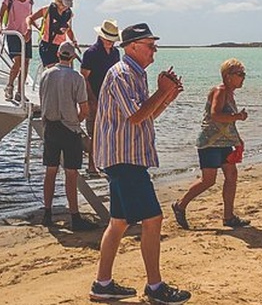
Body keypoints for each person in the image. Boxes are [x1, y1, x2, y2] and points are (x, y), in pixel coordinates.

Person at [89, 23, 191, 305]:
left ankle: (103, 284)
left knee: (119, 223)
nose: (154, 50)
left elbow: (146, 116)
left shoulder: (134, 75)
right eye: (150, 45)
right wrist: (162, 90)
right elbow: (136, 115)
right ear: (132, 47)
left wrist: (167, 96)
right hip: (124, 159)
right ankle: (155, 287)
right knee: (153, 219)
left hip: (125, 158)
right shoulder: (122, 74)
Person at [171, 58, 250, 230]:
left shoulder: (229, 93)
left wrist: (238, 138)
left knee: (231, 175)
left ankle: (228, 216)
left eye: (243, 74)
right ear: (228, 76)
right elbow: (215, 115)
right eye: (240, 74)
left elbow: (226, 122)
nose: (243, 77)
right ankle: (180, 205)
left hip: (223, 143)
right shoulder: (220, 91)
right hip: (210, 143)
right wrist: (238, 116)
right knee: (208, 180)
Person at [38, 41, 99, 232]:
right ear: (72, 57)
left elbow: (42, 100)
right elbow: (84, 108)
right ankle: (74, 216)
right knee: (71, 174)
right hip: (69, 128)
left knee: (50, 170)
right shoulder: (76, 77)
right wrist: (77, 120)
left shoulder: (45, 75)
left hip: (50, 126)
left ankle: (47, 213)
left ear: (58, 54)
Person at [80, 19, 121, 175]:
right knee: (94, 133)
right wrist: (91, 100)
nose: (111, 42)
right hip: (94, 98)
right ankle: (91, 165)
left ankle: (107, 163)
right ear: (102, 36)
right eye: (109, 39)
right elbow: (84, 77)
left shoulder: (116, 53)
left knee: (110, 132)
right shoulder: (90, 53)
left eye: (113, 39)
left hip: (112, 99)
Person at [0, 0, 34, 101]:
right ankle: (10, 86)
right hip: (13, 33)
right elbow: (0, 15)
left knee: (26, 63)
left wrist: (34, 27)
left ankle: (20, 91)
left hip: (26, 34)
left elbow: (31, 17)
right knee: (17, 62)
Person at [27, 0, 76, 68]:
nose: (65, 7)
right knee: (54, 71)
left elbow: (69, 30)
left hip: (61, 48)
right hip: (47, 46)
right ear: (58, 1)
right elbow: (30, 18)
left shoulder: (69, 14)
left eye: (67, 5)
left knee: (62, 72)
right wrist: (31, 28)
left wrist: (74, 42)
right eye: (63, 5)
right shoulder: (47, 9)